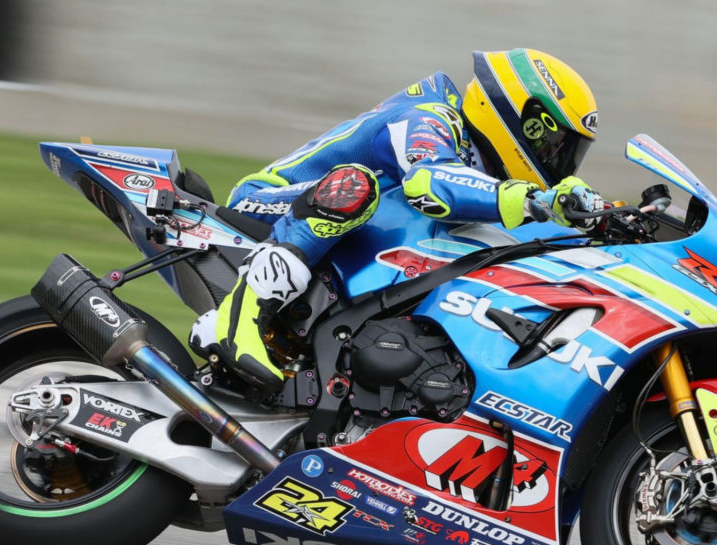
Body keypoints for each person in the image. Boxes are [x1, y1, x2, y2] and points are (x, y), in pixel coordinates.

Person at [190, 48, 606, 393]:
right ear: (524, 120)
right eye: (557, 146)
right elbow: (429, 181)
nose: (561, 163)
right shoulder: (431, 117)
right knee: (357, 186)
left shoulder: (480, 163)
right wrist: (536, 199)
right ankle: (237, 319)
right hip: (268, 208)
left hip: (339, 239)